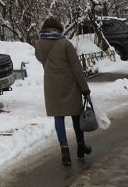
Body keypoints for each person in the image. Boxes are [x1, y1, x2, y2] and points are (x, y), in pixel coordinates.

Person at [34, 16, 91, 166]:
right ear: (59, 29)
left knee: (58, 118)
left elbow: (41, 59)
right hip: (70, 85)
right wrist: (84, 88)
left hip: (51, 86)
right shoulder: (65, 44)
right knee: (76, 116)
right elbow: (76, 67)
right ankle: (80, 147)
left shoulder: (38, 45)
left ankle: (65, 152)